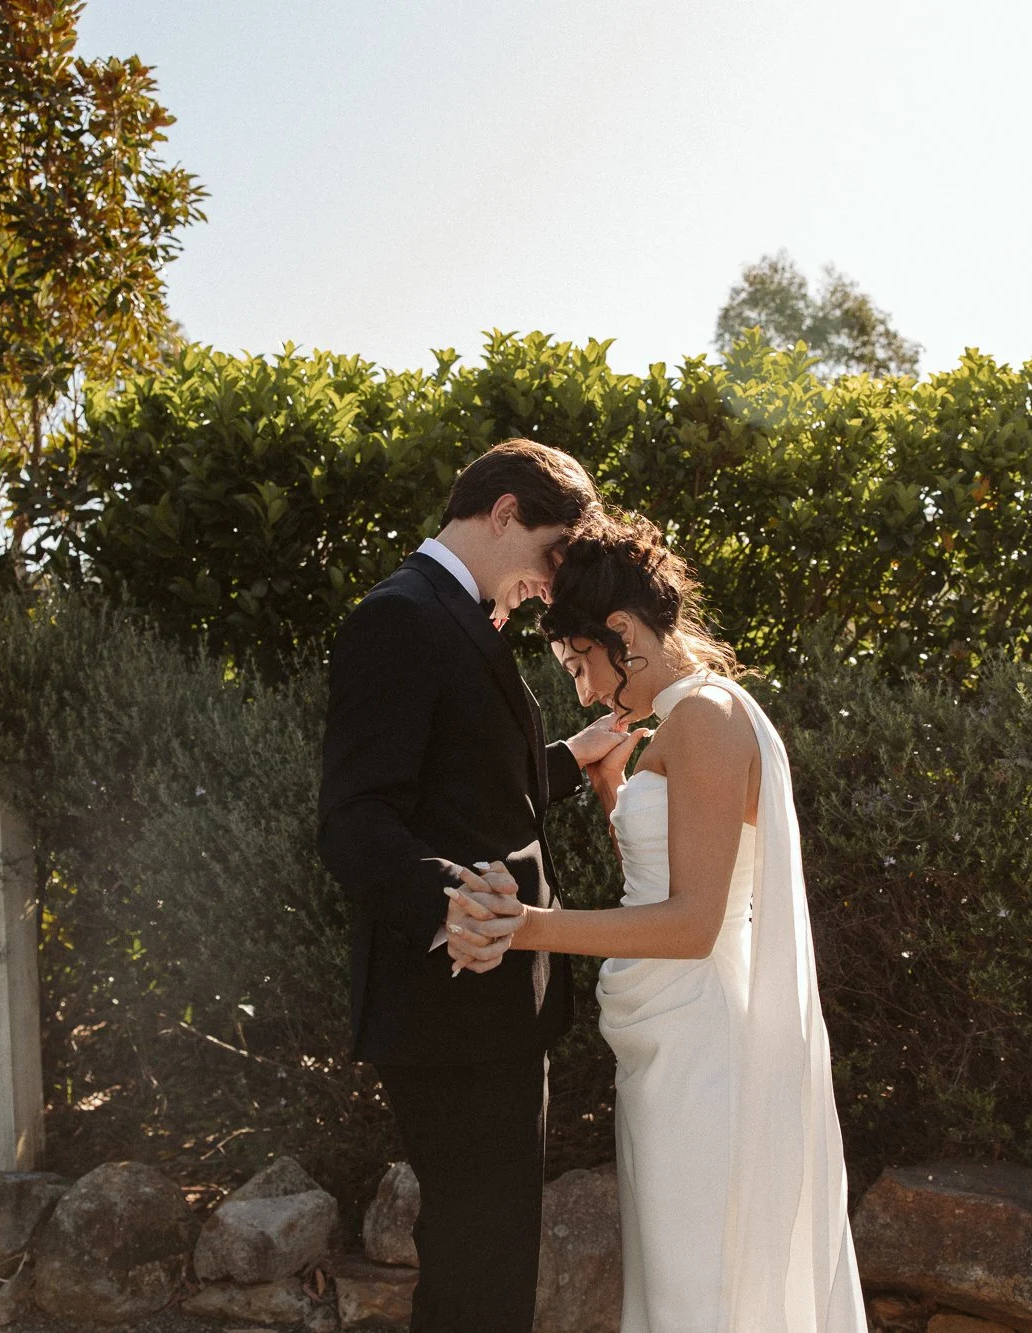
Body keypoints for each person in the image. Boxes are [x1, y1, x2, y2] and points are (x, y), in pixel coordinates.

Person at [449, 512, 865, 1332]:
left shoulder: (707, 716)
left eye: (582, 662)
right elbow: (658, 882)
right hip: (664, 1037)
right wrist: (612, 785)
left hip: (707, 1038)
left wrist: (524, 926)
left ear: (624, 630)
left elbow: (691, 924)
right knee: (676, 1272)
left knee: (697, 1282)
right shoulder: (668, 724)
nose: (587, 689)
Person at [316, 439, 630, 1333]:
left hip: (490, 999)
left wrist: (572, 757)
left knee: (488, 1255)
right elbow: (354, 817)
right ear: (501, 513)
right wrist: (448, 905)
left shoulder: (455, 613)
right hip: (449, 998)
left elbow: (472, 782)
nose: (553, 582)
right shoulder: (399, 616)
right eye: (552, 552)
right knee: (479, 1263)